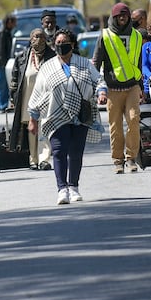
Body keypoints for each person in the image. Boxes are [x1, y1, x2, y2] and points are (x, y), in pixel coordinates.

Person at [28, 29, 102, 205]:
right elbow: (37, 93)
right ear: (54, 46)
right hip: (55, 116)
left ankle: (73, 187)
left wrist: (101, 93)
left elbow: (98, 80)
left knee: (76, 153)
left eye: (65, 42)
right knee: (59, 152)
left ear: (73, 44)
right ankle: (62, 189)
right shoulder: (47, 68)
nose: (61, 46)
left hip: (80, 116)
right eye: (58, 43)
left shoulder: (84, 64)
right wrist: (33, 118)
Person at [93, 2, 143, 174]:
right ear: (113, 18)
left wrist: (141, 87)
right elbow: (96, 64)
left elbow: (139, 62)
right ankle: (118, 160)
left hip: (132, 87)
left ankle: (131, 158)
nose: (122, 18)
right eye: (119, 16)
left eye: (125, 15)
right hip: (113, 89)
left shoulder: (137, 36)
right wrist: (99, 89)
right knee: (115, 126)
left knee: (134, 120)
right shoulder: (105, 36)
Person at [9, 28, 56, 171]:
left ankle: (44, 159)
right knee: (31, 129)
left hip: (46, 98)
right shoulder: (22, 57)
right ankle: (33, 159)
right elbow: (15, 79)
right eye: (36, 37)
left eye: (42, 37)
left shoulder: (52, 56)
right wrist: (12, 96)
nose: (39, 40)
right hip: (27, 98)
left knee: (44, 127)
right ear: (30, 39)